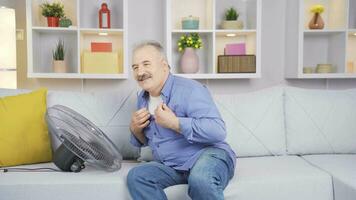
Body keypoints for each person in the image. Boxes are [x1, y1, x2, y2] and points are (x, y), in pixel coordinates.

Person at [127, 41, 236, 200]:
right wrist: (135, 129)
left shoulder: (190, 90)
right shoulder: (142, 99)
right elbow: (143, 142)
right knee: (137, 176)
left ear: (164, 65)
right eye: (135, 67)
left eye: (146, 64)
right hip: (171, 166)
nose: (140, 72)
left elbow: (218, 131)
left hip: (207, 156)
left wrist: (175, 123)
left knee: (200, 180)